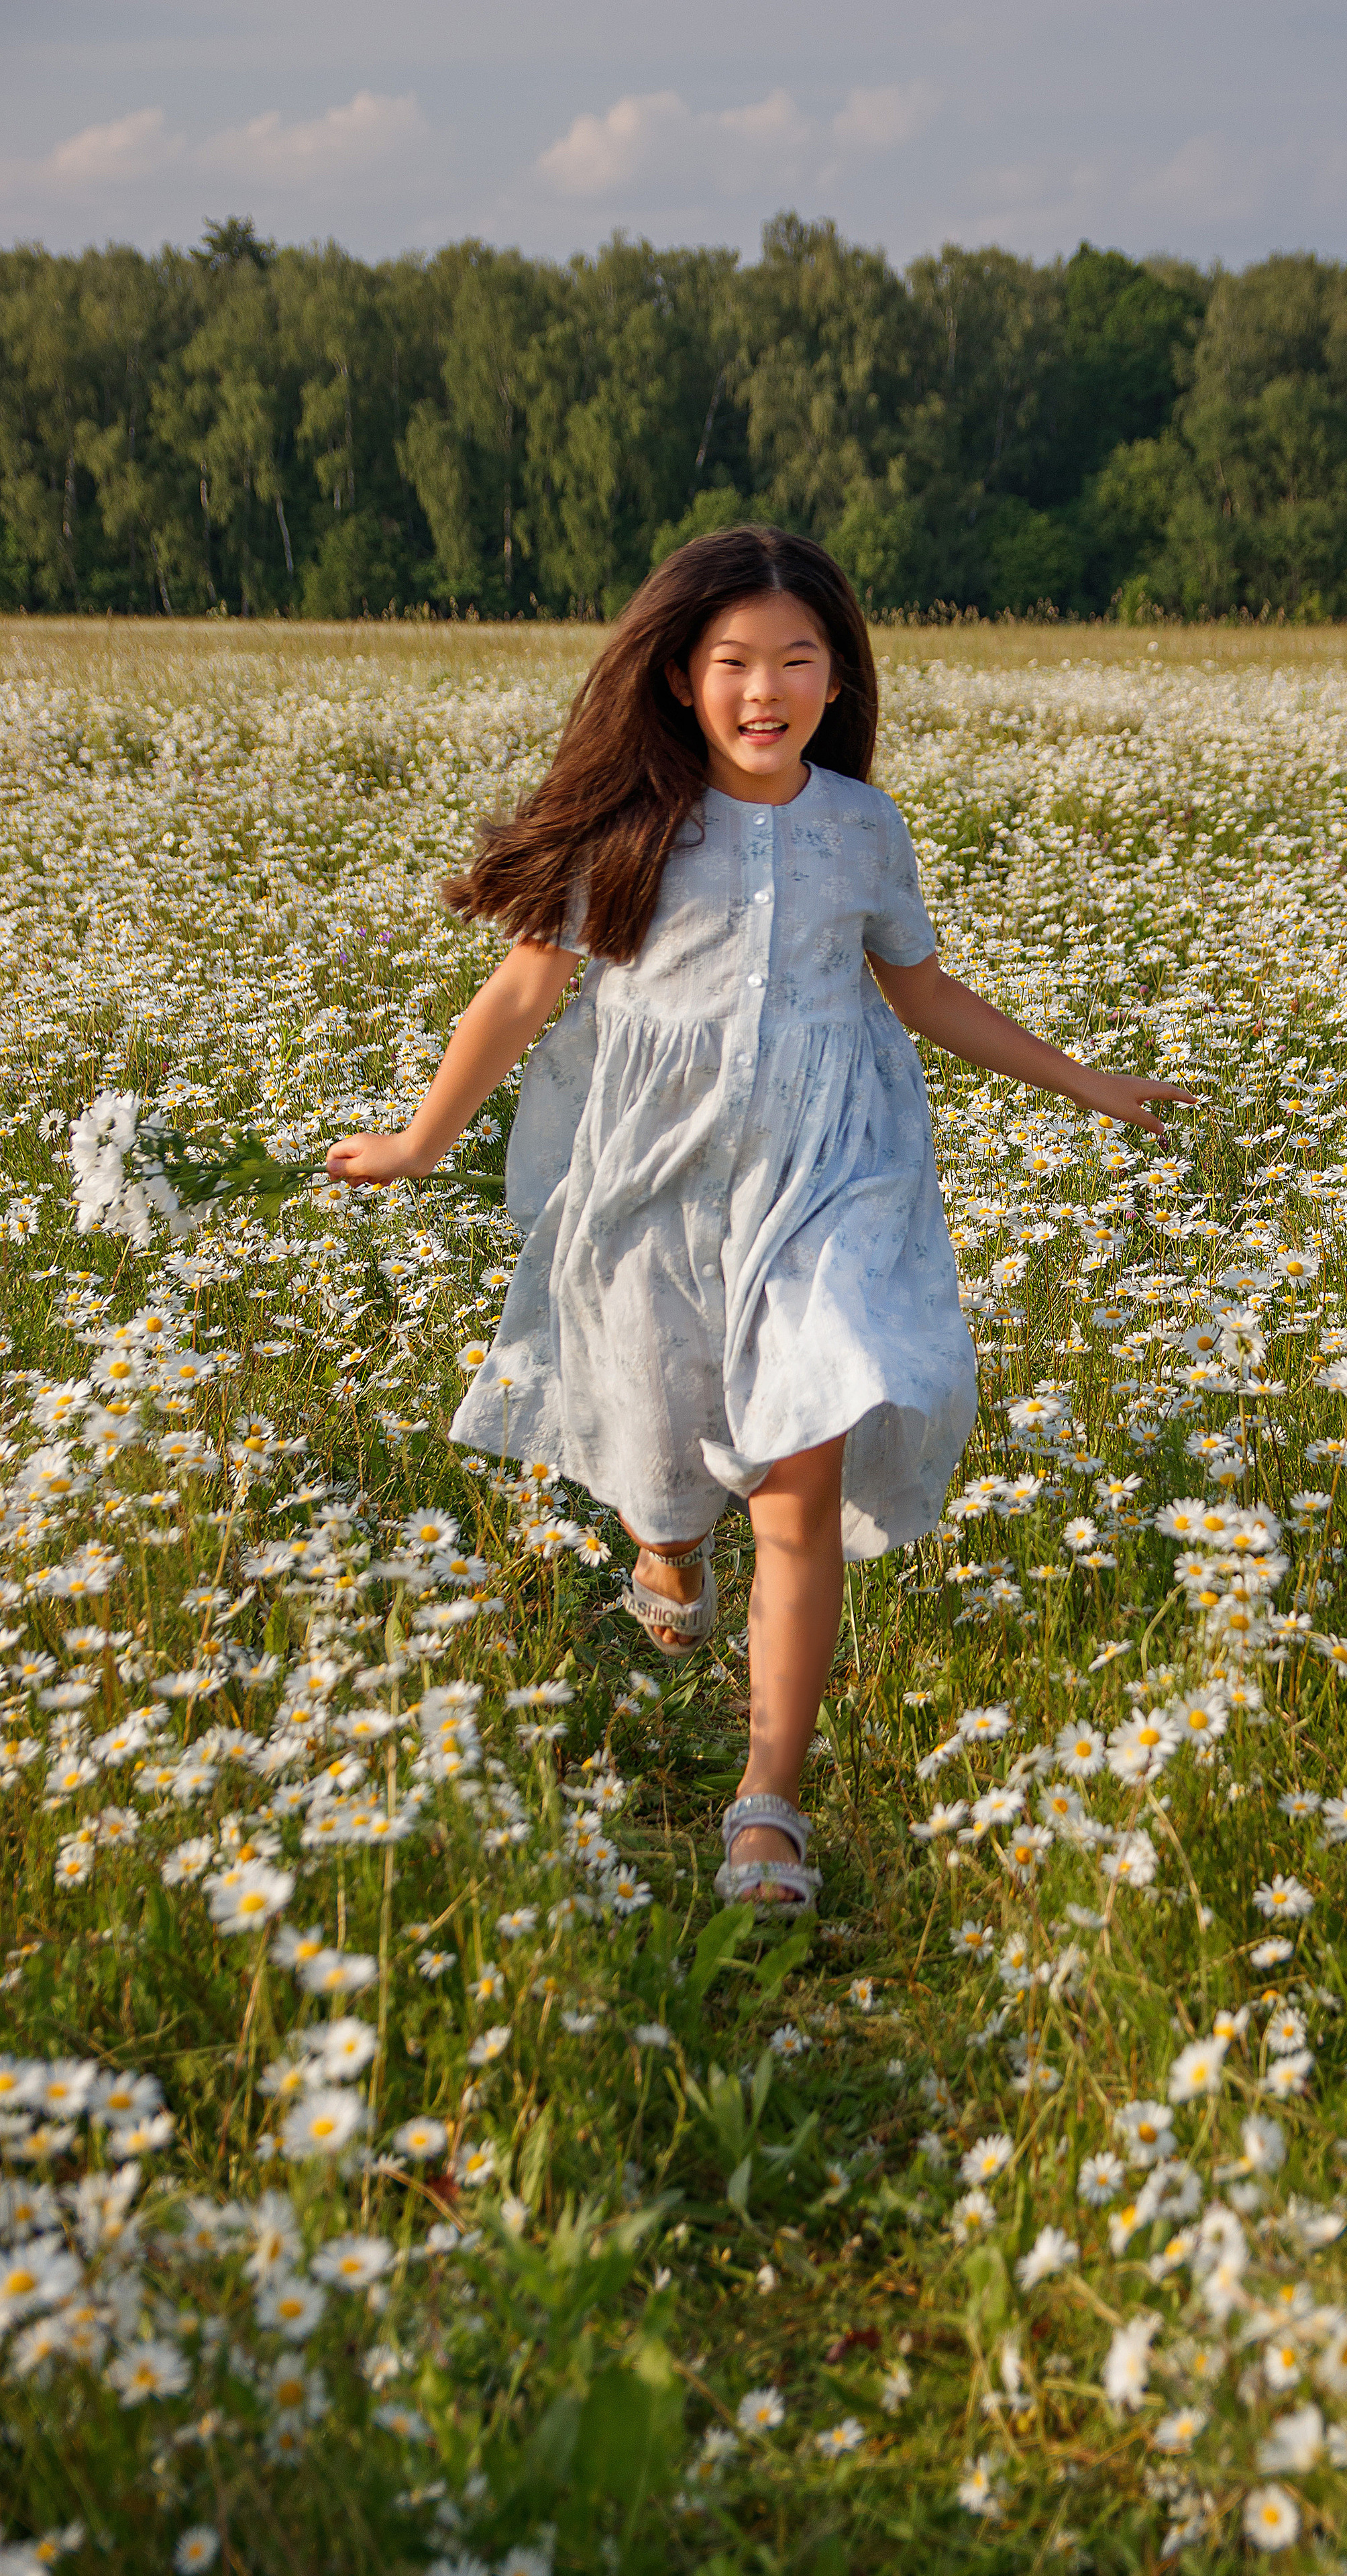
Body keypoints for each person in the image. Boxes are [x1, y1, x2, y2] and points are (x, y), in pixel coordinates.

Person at [327, 527, 1194, 1914]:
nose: (764, 689)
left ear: (838, 678)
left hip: (834, 1172)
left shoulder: (862, 828)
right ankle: (666, 1548)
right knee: (662, 1456)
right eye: (733, 661)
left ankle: (765, 1811)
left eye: (798, 660)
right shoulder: (630, 825)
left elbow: (920, 992)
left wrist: (1082, 1081)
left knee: (800, 1470)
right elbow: (517, 995)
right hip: (655, 1181)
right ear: (676, 676)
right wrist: (419, 1143)